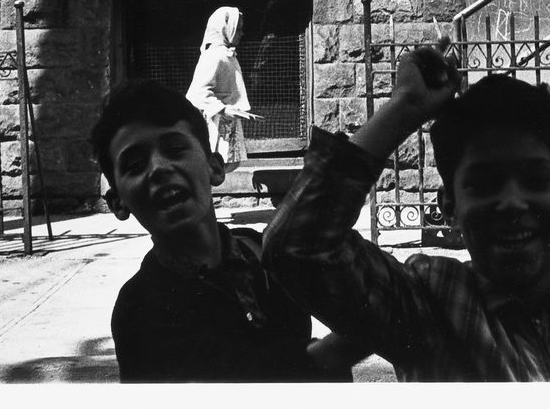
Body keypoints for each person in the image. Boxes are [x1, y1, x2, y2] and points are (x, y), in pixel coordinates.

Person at [262, 44, 550, 381]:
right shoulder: (429, 305)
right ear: (451, 208)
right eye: (485, 184)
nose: (512, 203)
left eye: (535, 180)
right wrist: (405, 111)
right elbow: (298, 246)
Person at [91, 82, 357, 382]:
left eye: (175, 149)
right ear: (118, 203)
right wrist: (338, 349)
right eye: (135, 165)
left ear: (215, 168)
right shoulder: (139, 309)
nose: (159, 168)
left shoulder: (261, 252)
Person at [185, 6, 256, 172]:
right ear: (225, 29)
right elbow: (198, 93)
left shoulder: (226, 54)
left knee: (224, 167)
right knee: (212, 168)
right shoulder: (214, 56)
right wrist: (223, 109)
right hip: (216, 122)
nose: (241, 33)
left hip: (226, 122)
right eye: (237, 29)